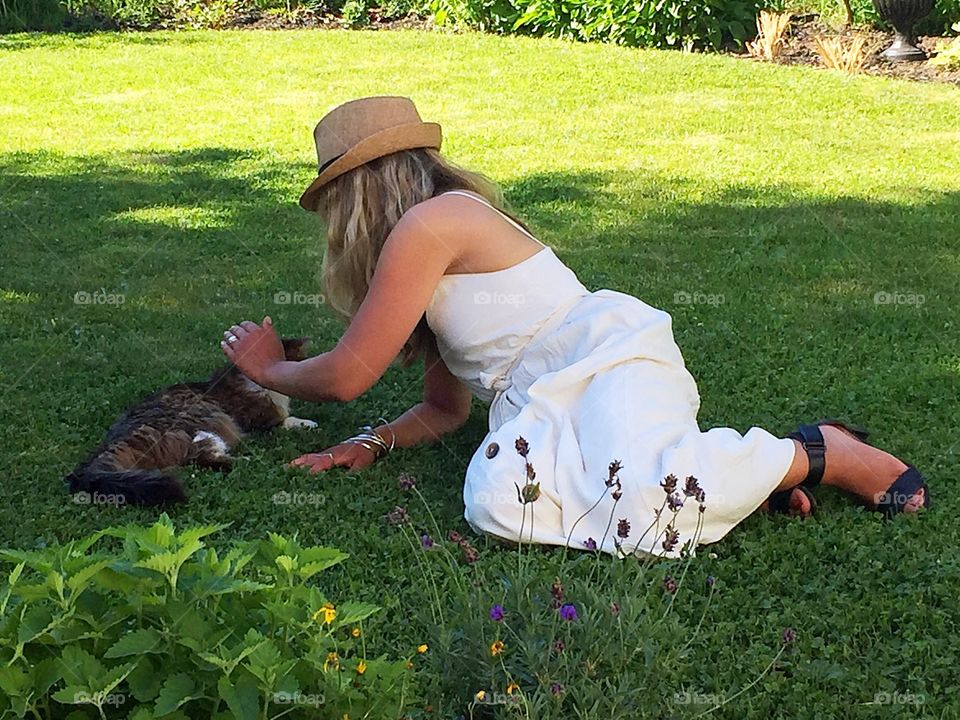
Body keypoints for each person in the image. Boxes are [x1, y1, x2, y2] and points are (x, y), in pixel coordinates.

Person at [221, 96, 929, 557]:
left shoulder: (434, 223)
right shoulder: (425, 246)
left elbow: (346, 375)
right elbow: (446, 409)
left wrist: (267, 368)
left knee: (645, 505)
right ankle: (744, 476)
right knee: (498, 502)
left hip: (603, 361)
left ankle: (823, 452)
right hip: (539, 405)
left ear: (356, 191)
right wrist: (373, 441)